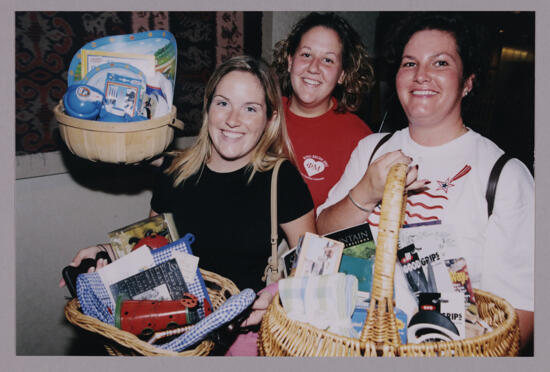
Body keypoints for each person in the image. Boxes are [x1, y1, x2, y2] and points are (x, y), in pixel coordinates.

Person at [60, 55, 317, 355]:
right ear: (208, 107)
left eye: (250, 108)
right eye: (223, 103)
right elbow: (152, 252)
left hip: (241, 342)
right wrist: (108, 252)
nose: (233, 119)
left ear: (270, 118)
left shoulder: (280, 178)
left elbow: (314, 267)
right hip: (172, 340)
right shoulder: (174, 172)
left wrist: (279, 298)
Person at [316, 13, 534, 354]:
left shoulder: (504, 175)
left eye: (441, 62)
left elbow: (518, 316)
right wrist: (366, 193)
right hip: (349, 342)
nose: (421, 75)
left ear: (468, 82)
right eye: (409, 63)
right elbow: (322, 235)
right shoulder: (370, 149)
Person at [272, 12, 375, 210]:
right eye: (306, 54)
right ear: (290, 61)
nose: (313, 68)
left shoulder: (359, 139)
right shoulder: (262, 115)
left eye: (328, 60)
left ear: (343, 75)